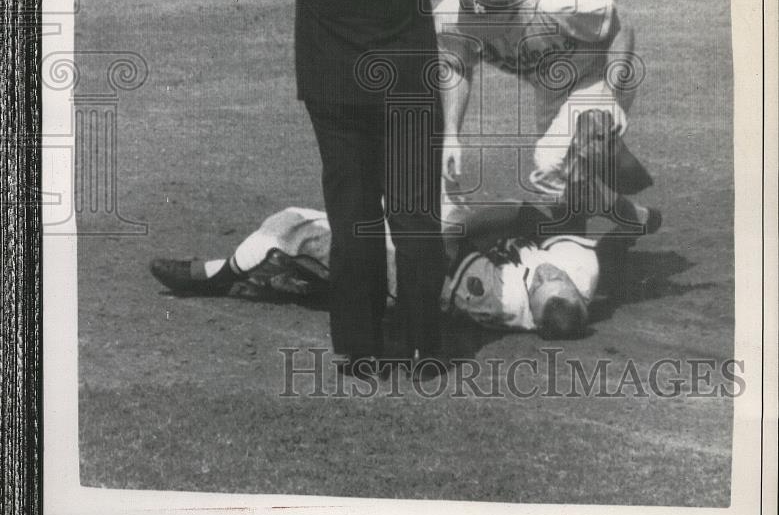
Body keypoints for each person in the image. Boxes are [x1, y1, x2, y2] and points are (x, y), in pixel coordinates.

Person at [116, 0, 595, 372]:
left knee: (353, 218)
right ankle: (423, 349)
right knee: (415, 221)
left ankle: (361, 349)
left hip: (334, 94)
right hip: (409, 94)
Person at [148, 186, 661, 340]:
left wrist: (522, 217)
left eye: (544, 284)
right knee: (574, 202)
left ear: (530, 305)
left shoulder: (500, 299)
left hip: (410, 274)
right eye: (557, 279)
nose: (550, 275)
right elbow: (592, 249)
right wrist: (630, 223)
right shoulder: (578, 278)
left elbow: (454, 239)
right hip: (425, 255)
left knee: (287, 225)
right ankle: (302, 281)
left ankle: (210, 277)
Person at [434, 0, 652, 202]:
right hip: (549, 88)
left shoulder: (558, 1)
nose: (477, 31)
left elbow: (620, 27)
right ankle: (627, 208)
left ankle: (602, 151)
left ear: (510, 7)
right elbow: (457, 66)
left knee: (550, 164)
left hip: (599, 73)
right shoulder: (450, 19)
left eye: (486, 24)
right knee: (565, 175)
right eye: (472, 22)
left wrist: (609, 97)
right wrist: (451, 135)